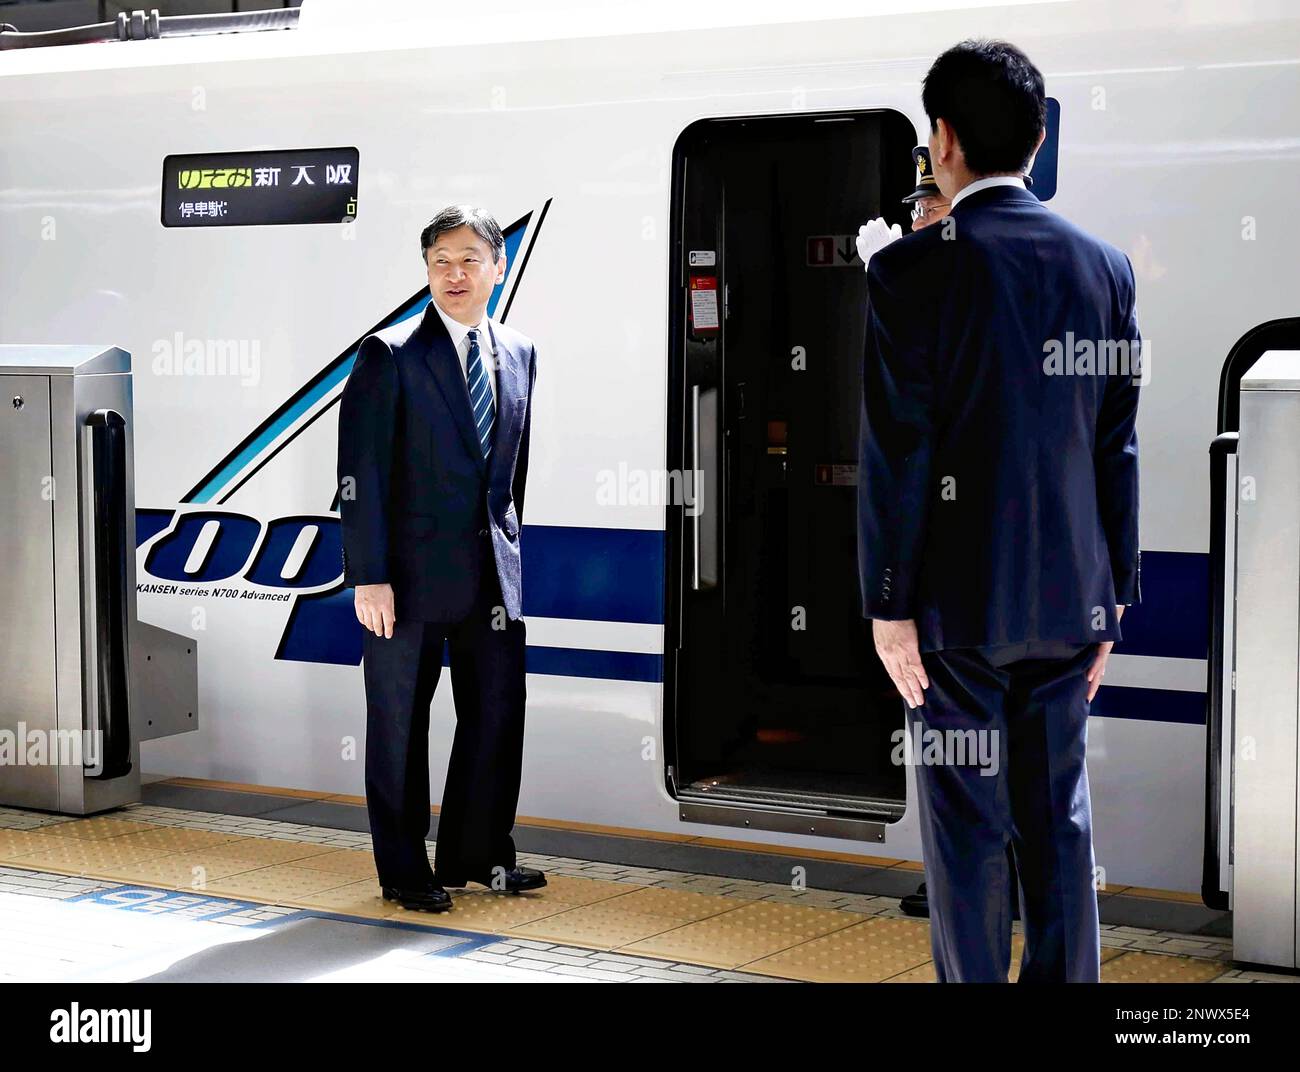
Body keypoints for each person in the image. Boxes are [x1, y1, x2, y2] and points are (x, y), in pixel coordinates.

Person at [857, 40, 1141, 982]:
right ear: (1039, 133)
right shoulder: (1103, 268)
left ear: (941, 139)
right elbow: (1114, 444)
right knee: (1057, 821)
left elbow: (901, 452)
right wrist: (1115, 597)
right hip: (1069, 605)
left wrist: (888, 606)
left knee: (969, 833)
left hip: (955, 617)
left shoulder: (910, 272)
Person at [337, 204, 544, 912]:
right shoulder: (388, 355)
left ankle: (478, 856)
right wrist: (369, 576)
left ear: (498, 266)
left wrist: (510, 552)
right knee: (401, 725)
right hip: (406, 581)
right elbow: (360, 474)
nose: (453, 275)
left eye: (468, 260)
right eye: (439, 262)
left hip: (492, 576)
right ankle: (404, 870)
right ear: (426, 271)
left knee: (496, 716)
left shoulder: (518, 352)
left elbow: (510, 475)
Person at [865, 145, 1022, 928]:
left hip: (952, 581)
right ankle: (969, 877)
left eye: (928, 208)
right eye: (915, 212)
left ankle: (972, 885)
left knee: (964, 747)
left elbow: (911, 434)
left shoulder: (940, 285)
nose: (917, 220)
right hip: (993, 576)